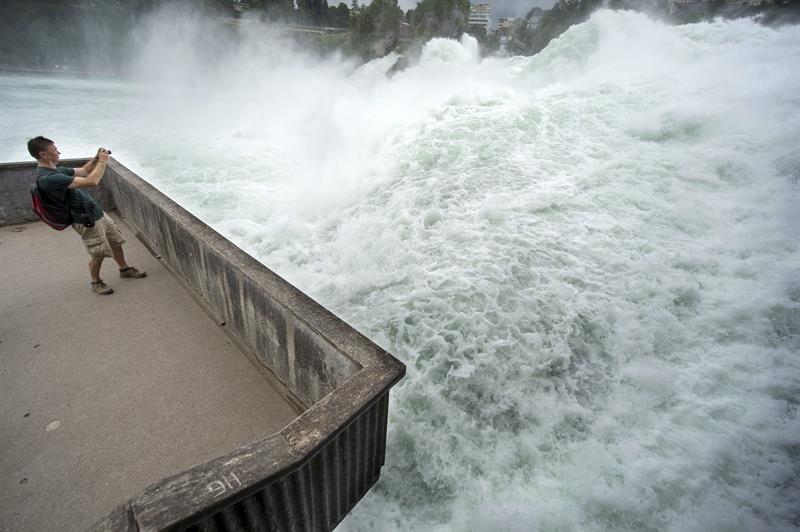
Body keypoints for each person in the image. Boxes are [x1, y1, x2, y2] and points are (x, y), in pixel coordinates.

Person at [28, 136, 146, 295]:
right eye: (55, 150)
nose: (58, 152)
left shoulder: (56, 170)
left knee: (115, 241)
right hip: (85, 219)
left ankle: (124, 269)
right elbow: (92, 180)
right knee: (99, 252)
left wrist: (97, 157)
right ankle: (96, 282)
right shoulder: (48, 178)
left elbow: (85, 171)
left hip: (95, 212)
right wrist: (103, 161)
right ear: (43, 154)